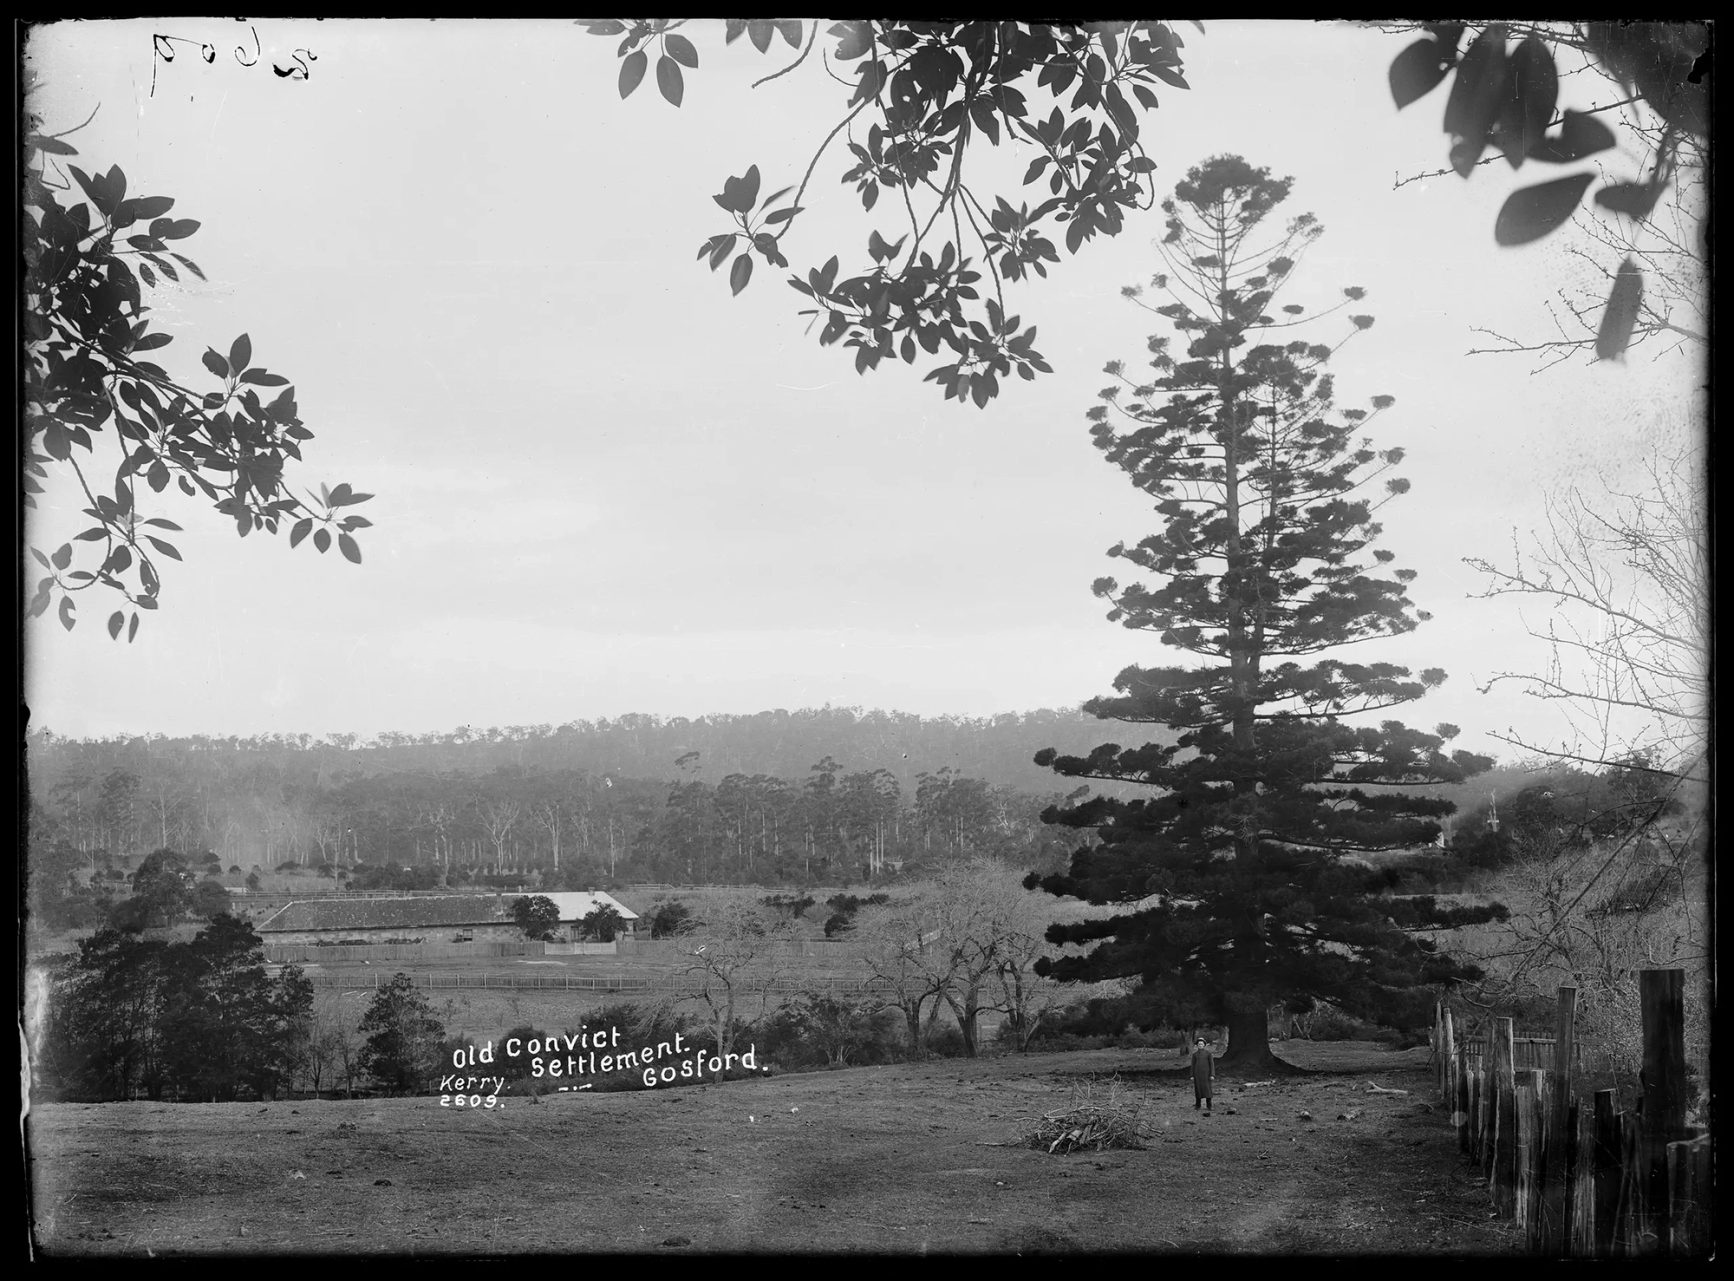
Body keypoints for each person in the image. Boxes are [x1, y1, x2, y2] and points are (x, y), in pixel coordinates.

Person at [1191, 1036, 1215, 1114]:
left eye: (1201, 1044)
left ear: (1204, 1045)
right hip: (1197, 1075)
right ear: (1197, 1045)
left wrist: (1212, 1074)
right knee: (1198, 1089)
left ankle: (1209, 1105)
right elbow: (1193, 1065)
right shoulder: (1195, 1055)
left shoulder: (1208, 1054)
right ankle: (1198, 1105)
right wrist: (1192, 1075)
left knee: (1207, 1089)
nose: (1200, 1045)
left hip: (1206, 1075)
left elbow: (1211, 1065)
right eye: (1199, 1044)